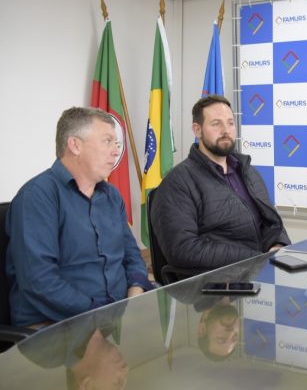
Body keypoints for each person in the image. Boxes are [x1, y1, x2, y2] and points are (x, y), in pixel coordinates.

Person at [5, 107, 151, 328]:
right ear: (75, 145)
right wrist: (100, 314)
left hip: (114, 318)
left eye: (116, 143)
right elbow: (39, 281)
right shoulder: (37, 196)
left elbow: (132, 256)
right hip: (56, 325)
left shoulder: (111, 195)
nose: (116, 151)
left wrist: (135, 294)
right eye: (107, 141)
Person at [151, 95, 291, 270]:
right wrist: (256, 259)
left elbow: (272, 222)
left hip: (259, 270)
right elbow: (183, 249)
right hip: (217, 280)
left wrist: (278, 245)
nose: (226, 130)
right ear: (197, 130)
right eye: (216, 124)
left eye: (230, 123)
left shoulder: (247, 171)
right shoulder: (178, 182)